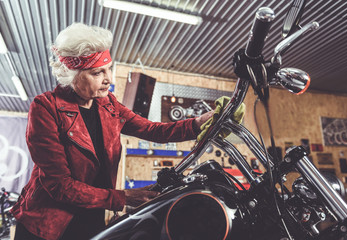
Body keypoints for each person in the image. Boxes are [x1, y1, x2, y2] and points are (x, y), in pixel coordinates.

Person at [10, 23, 213, 240]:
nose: (109, 79)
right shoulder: (46, 107)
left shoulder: (108, 105)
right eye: (97, 72)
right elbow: (60, 185)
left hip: (91, 219)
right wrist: (122, 197)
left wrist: (198, 123)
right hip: (47, 226)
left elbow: (154, 131)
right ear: (72, 75)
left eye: (109, 69)